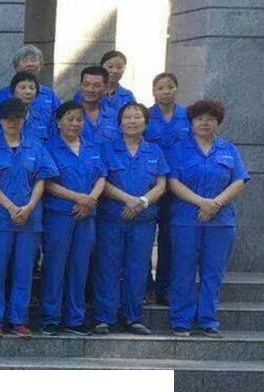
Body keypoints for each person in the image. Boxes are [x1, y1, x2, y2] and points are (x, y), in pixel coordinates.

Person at [166, 100, 249, 338]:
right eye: (199, 119)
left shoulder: (228, 149)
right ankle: (181, 320)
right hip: (186, 220)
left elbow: (239, 180)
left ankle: (207, 320)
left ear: (218, 123)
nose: (205, 123)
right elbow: (173, 182)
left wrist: (215, 204)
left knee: (213, 271)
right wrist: (202, 202)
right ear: (191, 123)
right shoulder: (179, 149)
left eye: (211, 119)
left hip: (220, 222)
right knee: (183, 269)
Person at [0, 100, 58, 337]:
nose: (13, 122)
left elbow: (42, 179)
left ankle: (18, 319)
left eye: (17, 118)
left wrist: (30, 206)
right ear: (0, 120)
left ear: (24, 120)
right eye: (8, 118)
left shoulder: (36, 148)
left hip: (28, 220)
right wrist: (10, 207)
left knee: (23, 271)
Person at [98, 102, 168, 335]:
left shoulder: (154, 151)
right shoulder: (106, 149)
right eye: (127, 117)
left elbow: (161, 184)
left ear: (145, 123)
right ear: (119, 123)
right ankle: (104, 317)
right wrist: (127, 199)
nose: (132, 121)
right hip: (112, 218)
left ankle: (133, 317)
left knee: (137, 269)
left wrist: (142, 203)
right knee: (107, 267)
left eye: (137, 117)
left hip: (143, 221)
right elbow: (100, 181)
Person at [41, 102, 107, 336]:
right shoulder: (49, 148)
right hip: (59, 215)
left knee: (80, 267)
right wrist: (78, 198)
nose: (75, 123)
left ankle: (75, 319)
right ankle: (50, 317)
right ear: (58, 122)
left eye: (79, 119)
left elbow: (101, 177)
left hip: (87, 216)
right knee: (55, 266)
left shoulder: (92, 147)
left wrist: (91, 199)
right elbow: (47, 183)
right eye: (70, 119)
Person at [146, 72, 188, 303]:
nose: (166, 91)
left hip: (177, 186)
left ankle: (164, 287)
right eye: (160, 88)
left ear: (177, 89)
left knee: (169, 238)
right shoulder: (145, 116)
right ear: (153, 92)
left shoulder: (187, 117)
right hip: (149, 184)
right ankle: (145, 286)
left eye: (170, 87)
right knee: (143, 237)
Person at [0, 44, 60, 114]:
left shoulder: (50, 95)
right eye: (25, 61)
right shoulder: (4, 94)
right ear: (16, 67)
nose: (30, 64)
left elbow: (59, 118)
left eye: (33, 60)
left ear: (40, 66)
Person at [7, 71, 53, 143]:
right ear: (12, 91)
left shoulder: (42, 118)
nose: (28, 92)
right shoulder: (5, 118)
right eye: (22, 88)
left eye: (32, 88)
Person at [76, 66, 118, 142]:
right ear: (80, 86)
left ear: (106, 88)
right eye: (86, 84)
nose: (90, 90)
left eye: (97, 86)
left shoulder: (114, 116)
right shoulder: (68, 116)